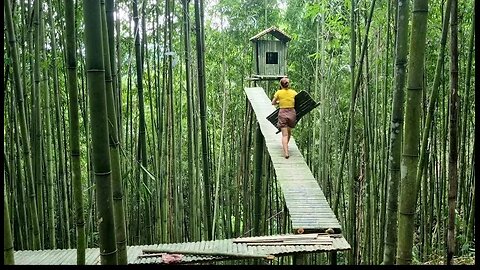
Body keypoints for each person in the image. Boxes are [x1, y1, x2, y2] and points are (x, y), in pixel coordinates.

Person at [271, 77, 298, 159]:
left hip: (282, 114)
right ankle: (286, 146)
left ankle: (286, 152)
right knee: (289, 133)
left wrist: (279, 102)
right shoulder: (293, 92)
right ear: (288, 85)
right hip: (291, 114)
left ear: (281, 85)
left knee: (284, 135)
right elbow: (297, 101)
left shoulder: (278, 93)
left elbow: (273, 103)